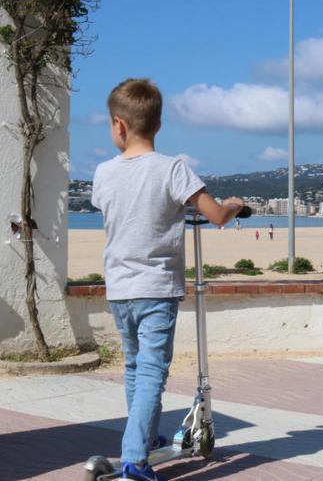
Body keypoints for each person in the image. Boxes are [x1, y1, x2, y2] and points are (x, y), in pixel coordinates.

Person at [91, 78, 244, 481]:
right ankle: (135, 460)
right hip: (156, 288)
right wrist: (233, 205)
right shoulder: (172, 168)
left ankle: (145, 439)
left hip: (119, 288)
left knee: (134, 367)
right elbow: (215, 214)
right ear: (158, 125)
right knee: (152, 372)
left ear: (118, 126)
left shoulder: (104, 173)